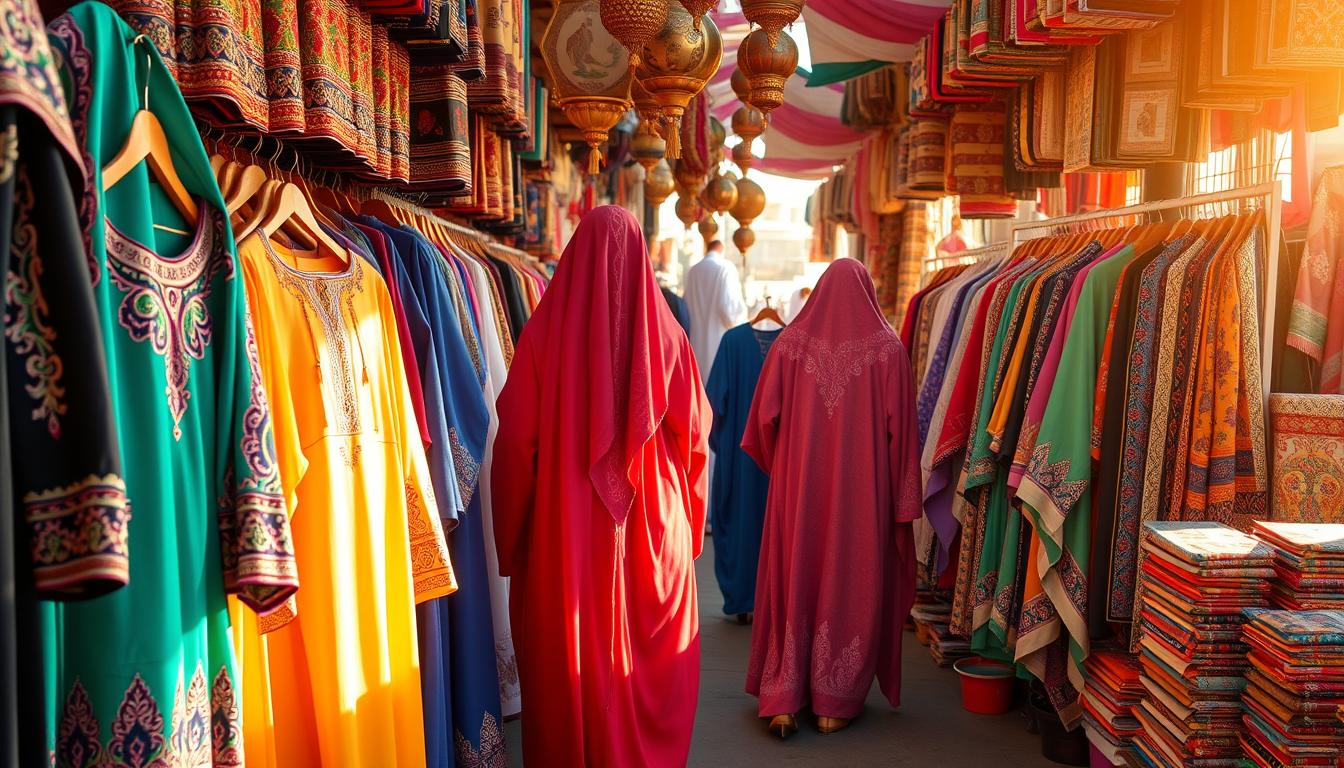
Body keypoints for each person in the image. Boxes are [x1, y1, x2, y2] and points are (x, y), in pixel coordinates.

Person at [492, 205, 710, 767]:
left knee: (571, 667)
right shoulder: (672, 339)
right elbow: (695, 442)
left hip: (567, 535)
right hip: (654, 525)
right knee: (647, 672)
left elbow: (514, 445)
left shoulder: (543, 336)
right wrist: (689, 523)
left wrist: (514, 539)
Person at [742, 258, 922, 738]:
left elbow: (759, 426)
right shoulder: (889, 350)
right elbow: (903, 439)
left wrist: (789, 468)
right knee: (853, 576)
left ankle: (784, 697)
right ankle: (832, 704)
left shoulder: (787, 346)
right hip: (862, 498)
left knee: (795, 573)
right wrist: (904, 504)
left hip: (798, 495)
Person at [684, 239, 747, 383]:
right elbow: (730, 314)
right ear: (721, 250)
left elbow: (685, 306)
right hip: (719, 345)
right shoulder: (725, 268)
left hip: (695, 346)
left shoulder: (693, 271)